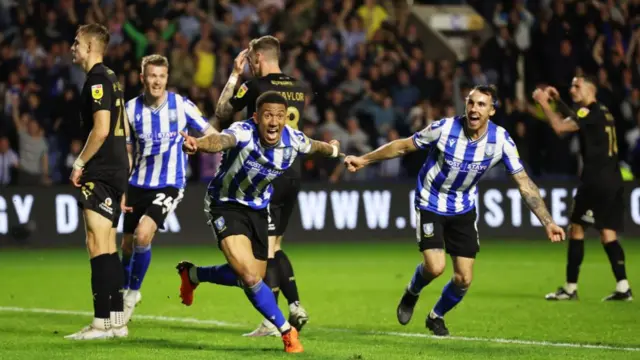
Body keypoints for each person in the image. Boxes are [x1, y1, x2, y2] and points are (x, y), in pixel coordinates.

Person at [344, 85, 565, 336]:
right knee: (435, 267)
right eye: (471, 103)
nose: (474, 108)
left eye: (481, 104)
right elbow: (404, 146)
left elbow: (524, 182)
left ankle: (435, 316)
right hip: (431, 201)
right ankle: (412, 291)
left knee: (464, 279)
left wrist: (547, 221)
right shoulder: (445, 129)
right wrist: (364, 160)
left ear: (491, 111)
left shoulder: (500, 140)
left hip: (463, 208)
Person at [176, 91, 341, 353]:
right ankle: (287, 332)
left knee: (252, 277)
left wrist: (333, 149)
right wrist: (199, 144)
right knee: (251, 277)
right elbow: (221, 140)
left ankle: (193, 274)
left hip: (258, 209)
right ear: (256, 117)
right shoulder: (243, 131)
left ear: (285, 119)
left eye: (279, 116)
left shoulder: (293, 139)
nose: (273, 122)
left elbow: (315, 145)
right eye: (267, 115)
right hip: (225, 204)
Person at [214, 35, 310, 336]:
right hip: (292, 171)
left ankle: (274, 318)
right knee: (275, 247)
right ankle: (291, 305)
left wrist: (234, 74)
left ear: (257, 58)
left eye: (252, 60)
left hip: (262, 173)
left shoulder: (255, 87)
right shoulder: (298, 89)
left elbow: (223, 112)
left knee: (264, 253)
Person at [120, 54, 217, 322]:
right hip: (136, 183)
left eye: (162, 76)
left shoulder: (181, 105)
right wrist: (122, 184)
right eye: (152, 76)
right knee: (127, 245)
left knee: (142, 235)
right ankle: (124, 287)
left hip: (169, 183)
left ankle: (131, 293)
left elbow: (211, 133)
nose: (157, 81)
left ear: (167, 78)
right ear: (142, 78)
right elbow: (127, 150)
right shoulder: (130, 109)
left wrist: (197, 144)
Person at [533, 76, 633, 301]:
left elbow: (560, 127)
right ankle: (623, 287)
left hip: (595, 181)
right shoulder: (603, 112)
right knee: (608, 233)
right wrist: (558, 102)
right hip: (613, 179)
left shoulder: (589, 112)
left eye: (577, 86)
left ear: (590, 89)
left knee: (576, 229)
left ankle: (570, 288)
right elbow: (579, 118)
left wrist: (544, 103)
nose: (573, 89)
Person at [66, 23, 131, 340]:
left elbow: (102, 129)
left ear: (91, 46)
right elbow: (126, 133)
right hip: (117, 170)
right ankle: (117, 321)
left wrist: (80, 162)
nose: (72, 47)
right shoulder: (113, 79)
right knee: (108, 244)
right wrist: (126, 178)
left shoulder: (96, 80)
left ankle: (100, 323)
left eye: (77, 43)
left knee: (96, 244)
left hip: (102, 170)